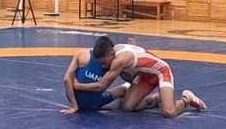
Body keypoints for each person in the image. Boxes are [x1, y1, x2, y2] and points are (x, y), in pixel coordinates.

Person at [73, 37, 206, 118]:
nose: (103, 66)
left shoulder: (119, 60)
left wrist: (78, 85)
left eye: (104, 63)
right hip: (144, 75)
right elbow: (130, 71)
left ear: (111, 54)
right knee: (127, 107)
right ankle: (157, 99)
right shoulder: (115, 49)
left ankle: (187, 98)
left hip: (161, 72)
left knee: (169, 112)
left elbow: (102, 85)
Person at [60, 36, 132, 115]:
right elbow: (67, 79)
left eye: (104, 63)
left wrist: (74, 105)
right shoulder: (113, 60)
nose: (103, 66)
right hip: (94, 102)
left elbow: (67, 79)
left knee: (116, 87)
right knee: (121, 90)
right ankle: (125, 87)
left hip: (84, 100)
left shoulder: (81, 54)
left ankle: (126, 87)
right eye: (101, 63)